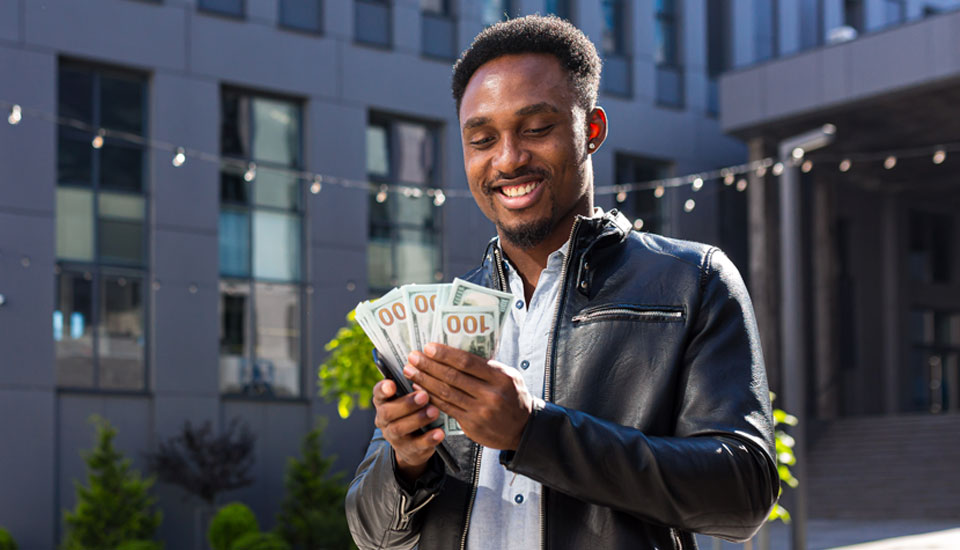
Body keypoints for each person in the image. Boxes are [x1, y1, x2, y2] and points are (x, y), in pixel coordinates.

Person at [346, 15, 779, 550]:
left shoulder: (692, 282)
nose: (507, 159)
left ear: (591, 131)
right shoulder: (434, 322)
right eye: (482, 139)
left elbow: (744, 494)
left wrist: (536, 433)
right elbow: (369, 534)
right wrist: (405, 463)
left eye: (536, 129)